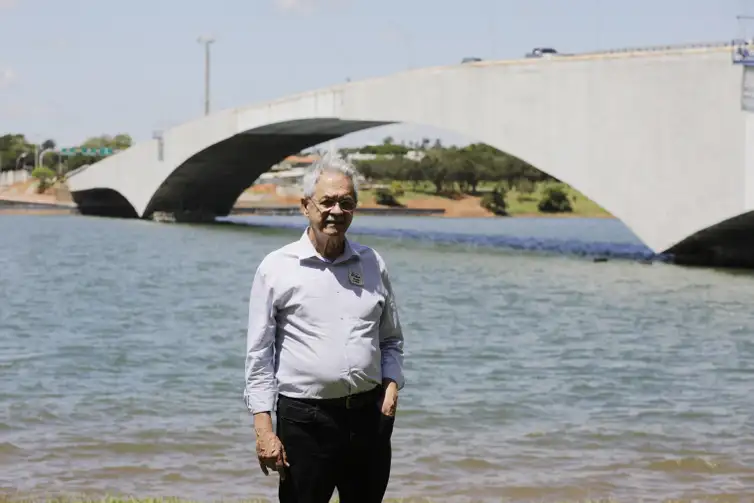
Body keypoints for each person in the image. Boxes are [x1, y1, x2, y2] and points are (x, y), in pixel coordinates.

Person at [243, 152, 406, 503]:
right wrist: (264, 431)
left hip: (368, 418)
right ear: (305, 206)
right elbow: (259, 357)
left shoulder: (373, 263)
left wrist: (391, 389)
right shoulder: (276, 268)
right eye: (327, 201)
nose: (336, 211)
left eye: (346, 203)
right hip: (305, 421)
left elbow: (391, 340)